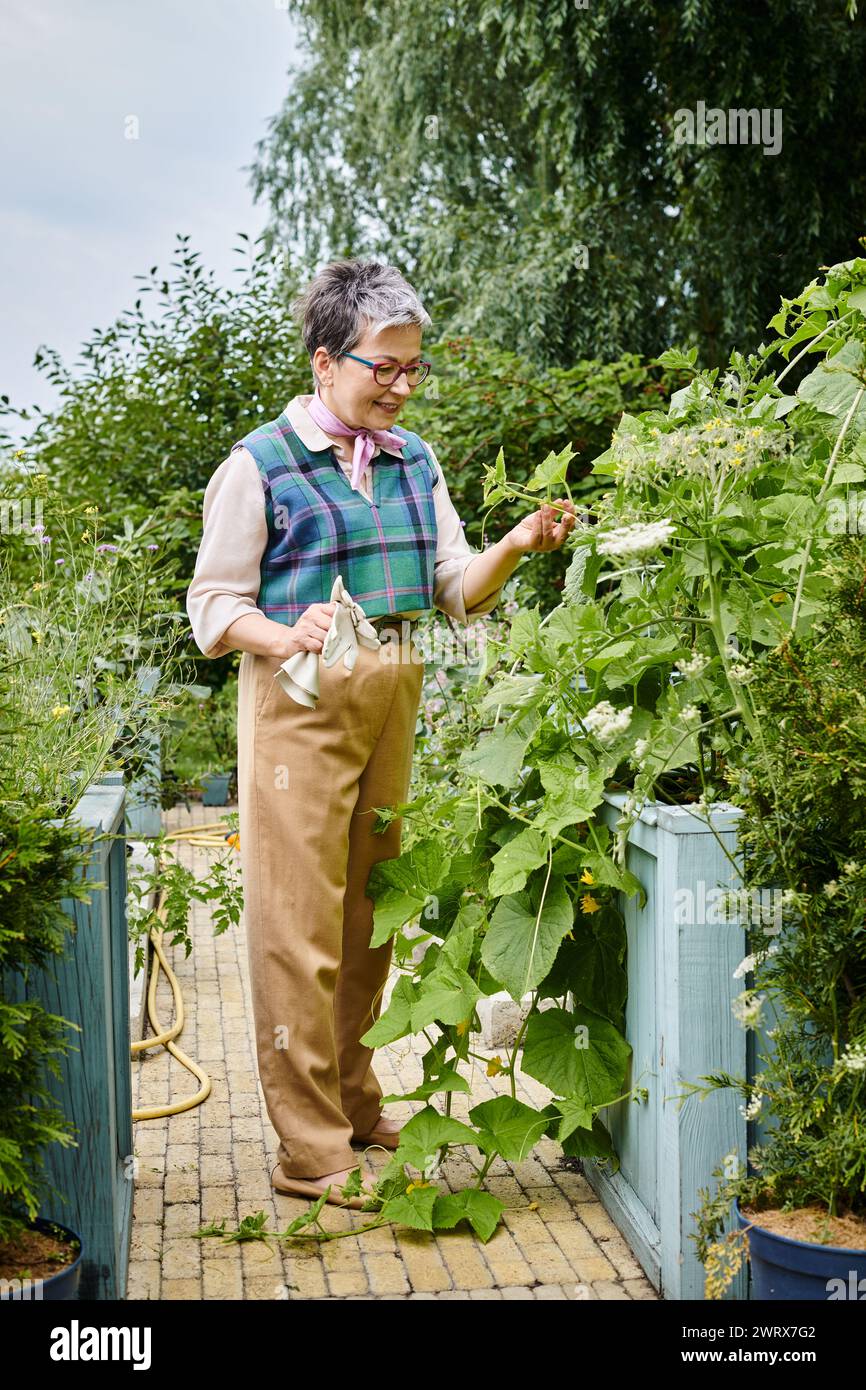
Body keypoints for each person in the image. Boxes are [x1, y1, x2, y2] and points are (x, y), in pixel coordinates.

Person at [186, 258, 576, 1208]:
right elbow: (212, 605)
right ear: (326, 362)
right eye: (383, 369)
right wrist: (284, 631)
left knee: (372, 915)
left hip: (393, 691)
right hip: (302, 704)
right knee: (299, 926)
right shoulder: (259, 466)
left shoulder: (415, 461)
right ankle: (308, 1149)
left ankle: (356, 1102)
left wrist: (517, 546)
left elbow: (455, 589)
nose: (402, 386)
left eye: (413, 370)